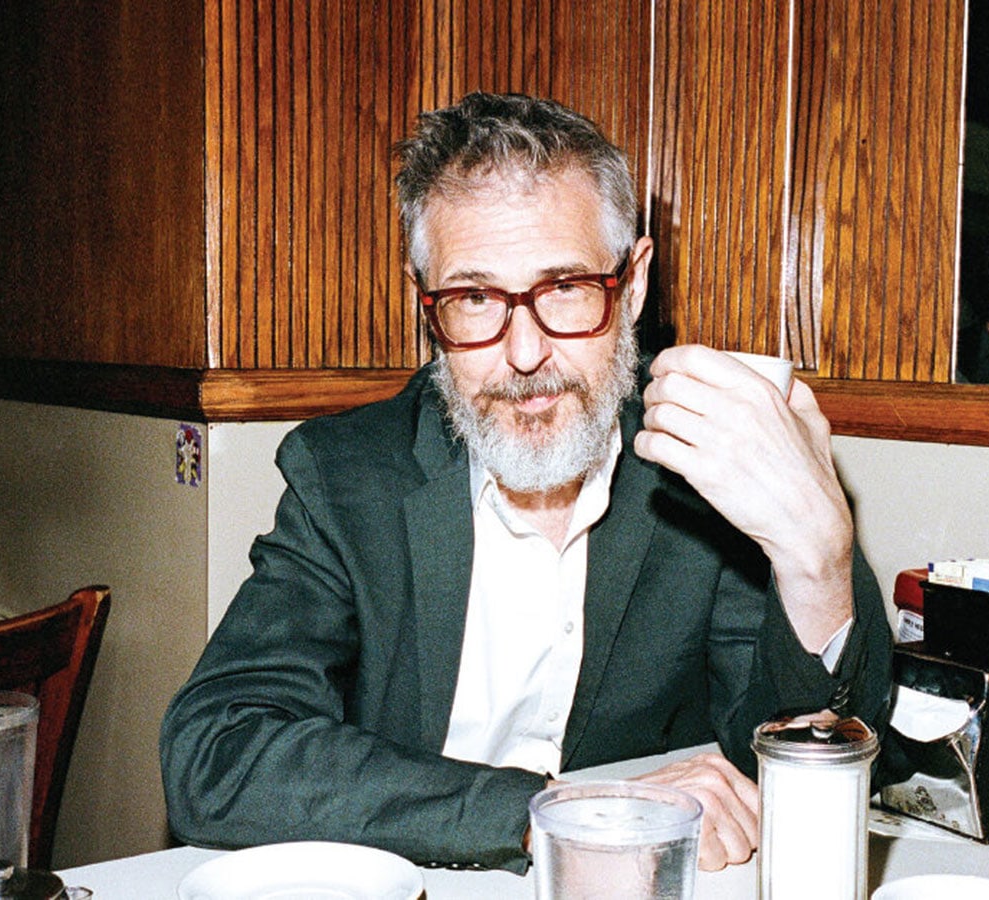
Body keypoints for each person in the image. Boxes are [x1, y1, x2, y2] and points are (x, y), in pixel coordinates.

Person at [160, 91, 893, 874]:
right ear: (426, 303)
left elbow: (801, 761)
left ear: (633, 286)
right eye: (475, 299)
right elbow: (218, 752)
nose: (524, 354)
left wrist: (818, 563)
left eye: (565, 288)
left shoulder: (704, 466)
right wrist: (549, 816)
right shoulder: (346, 476)